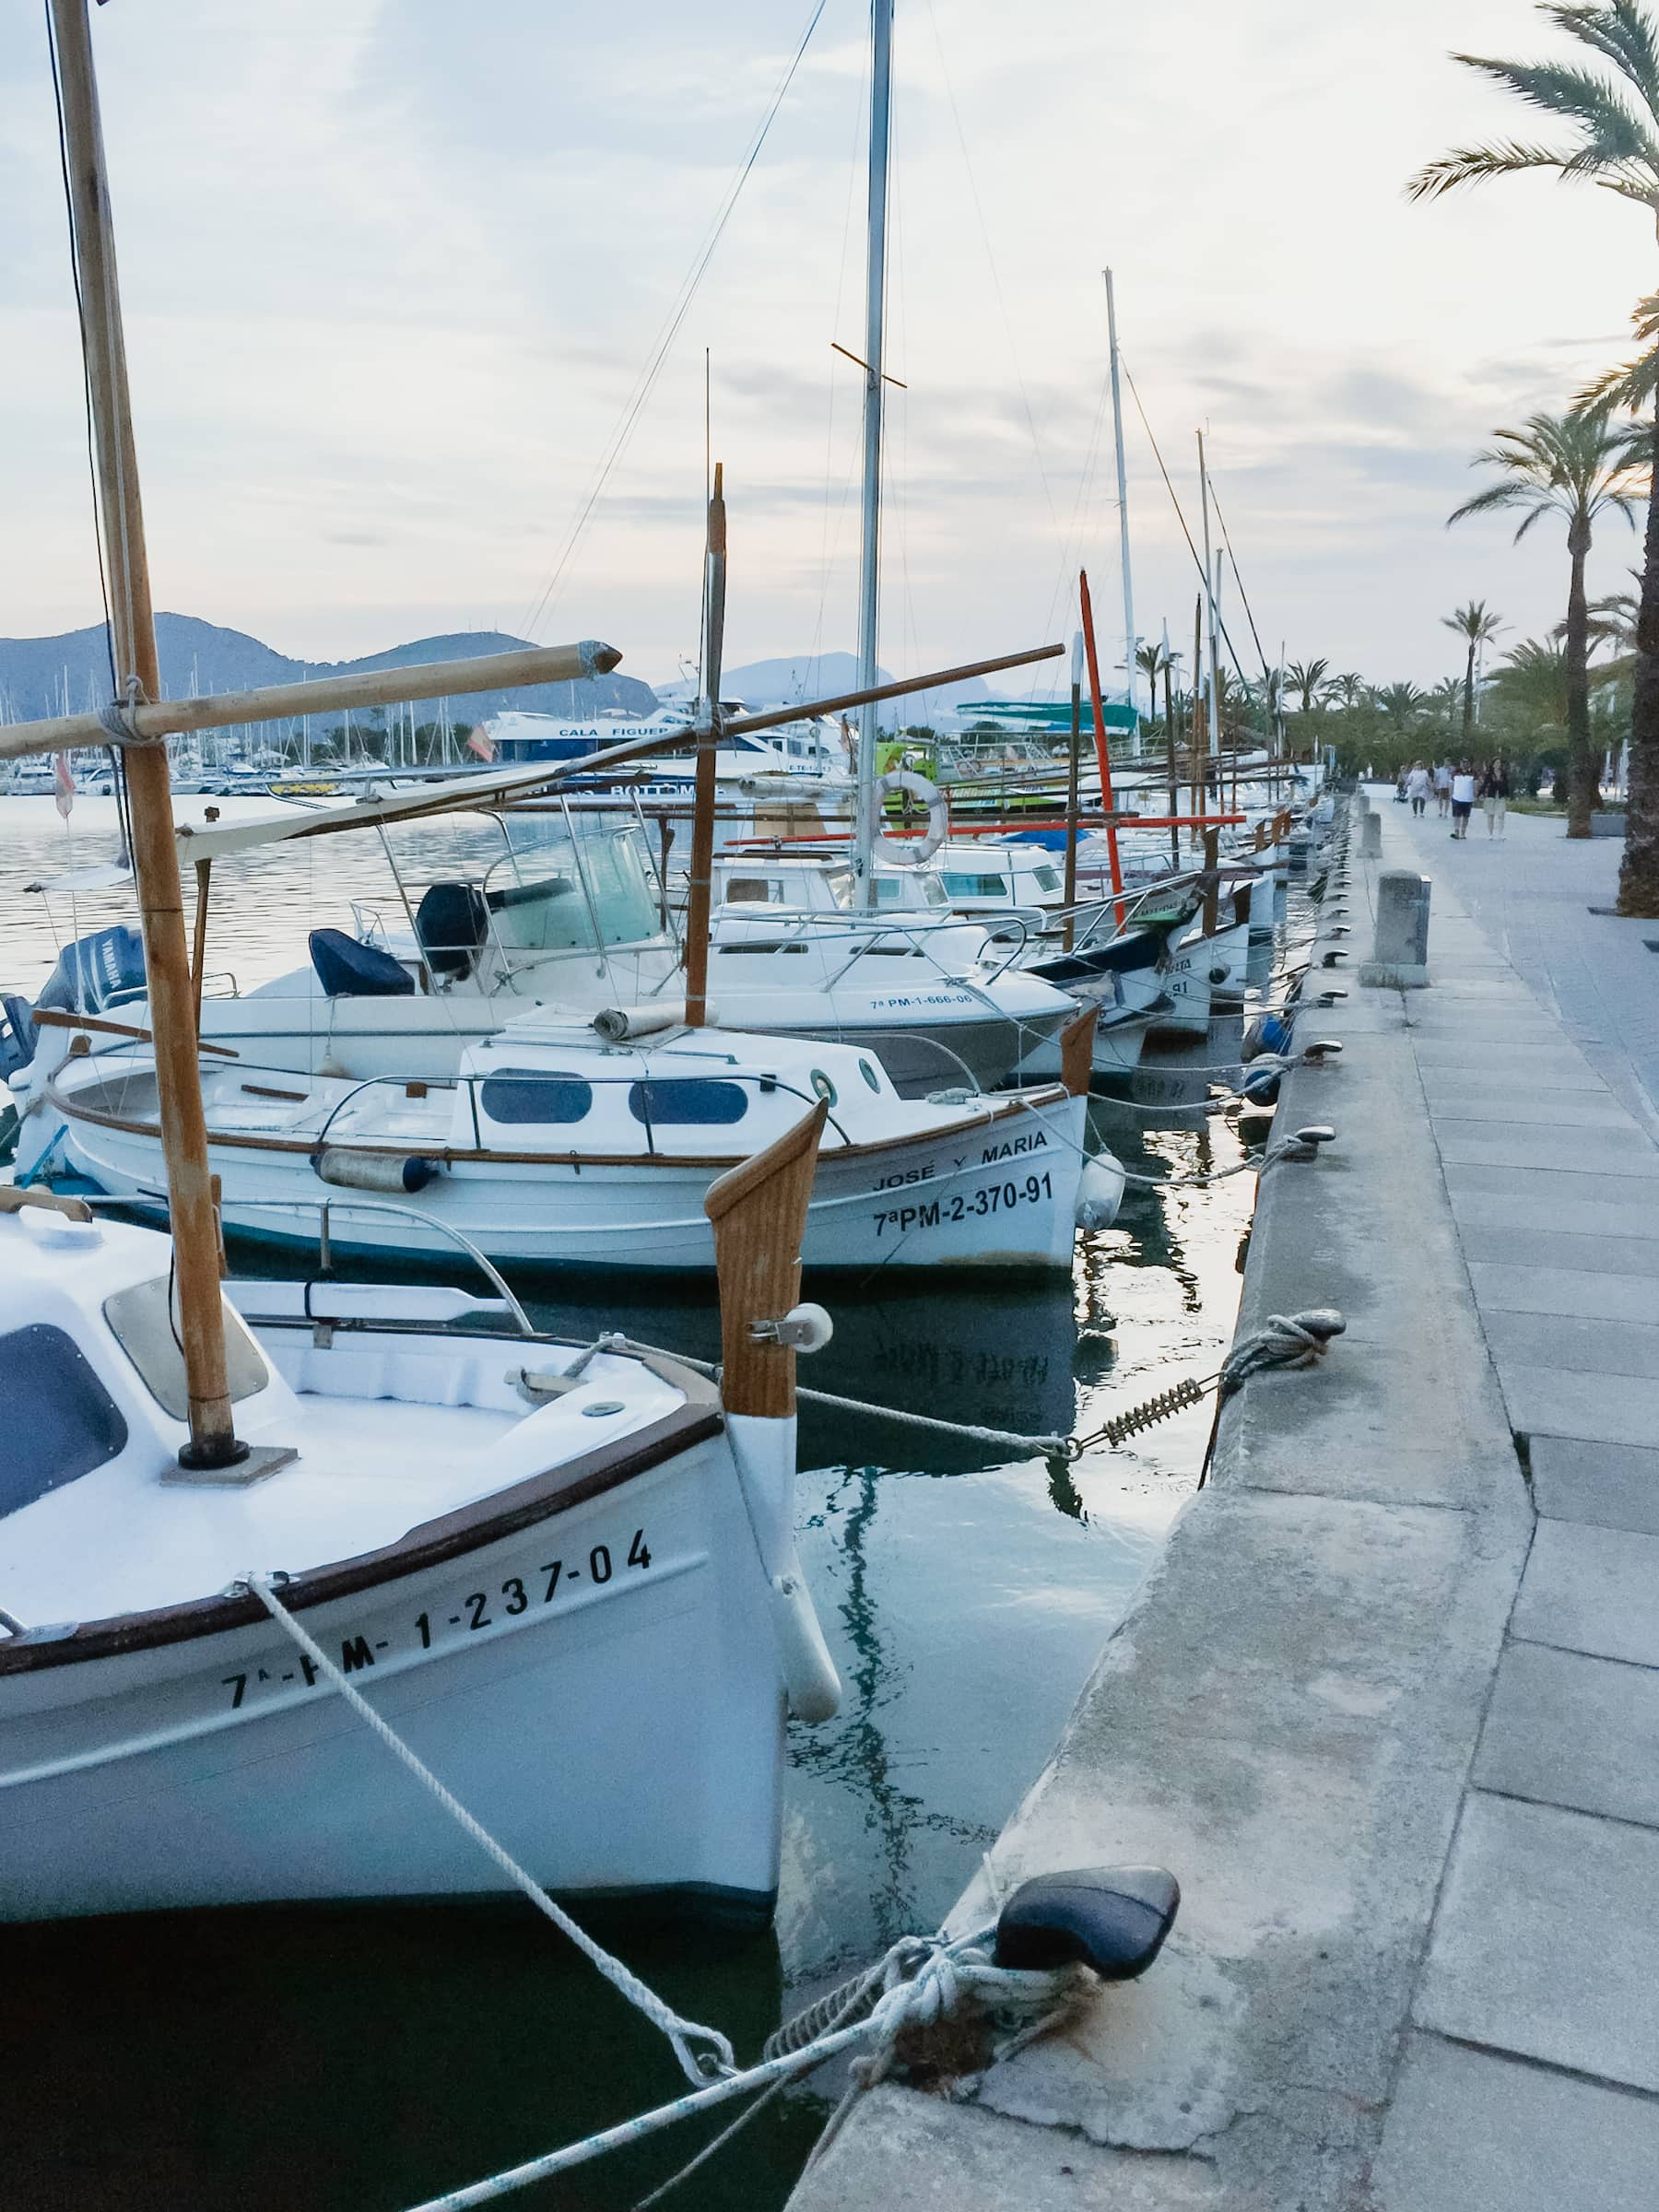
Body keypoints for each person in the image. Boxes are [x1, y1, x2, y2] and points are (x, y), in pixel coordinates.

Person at [1482, 757, 1510, 838]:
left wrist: (1507, 794)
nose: (1498, 764)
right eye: (1497, 763)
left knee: (1501, 814)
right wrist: (1480, 794)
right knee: (1491, 815)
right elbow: (1485, 784)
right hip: (1491, 796)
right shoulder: (1489, 774)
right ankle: (1490, 834)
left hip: (1500, 796)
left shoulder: (1503, 774)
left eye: (1499, 763)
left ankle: (1500, 834)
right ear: (1493, 764)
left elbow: (1506, 784)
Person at [1450, 762, 1477, 839]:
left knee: (1466, 817)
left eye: (1466, 763)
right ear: (1460, 764)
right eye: (1463, 763)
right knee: (1457, 816)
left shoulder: (1473, 773)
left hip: (1468, 799)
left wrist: (1476, 795)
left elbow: (1475, 785)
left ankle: (1463, 833)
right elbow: (1451, 784)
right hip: (1457, 798)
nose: (1464, 765)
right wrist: (1450, 794)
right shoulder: (1455, 773)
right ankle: (1456, 832)